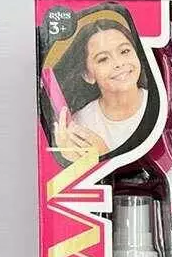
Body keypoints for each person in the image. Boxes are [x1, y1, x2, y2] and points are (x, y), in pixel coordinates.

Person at [54, 19, 147, 160]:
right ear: (87, 75)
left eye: (125, 51)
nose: (119, 63)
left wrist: (104, 154)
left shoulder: (164, 103)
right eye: (103, 59)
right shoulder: (79, 125)